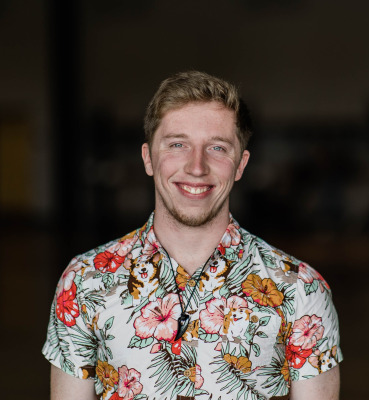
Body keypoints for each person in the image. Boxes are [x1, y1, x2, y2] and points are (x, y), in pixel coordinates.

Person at [43, 71, 342, 400]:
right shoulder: (84, 281)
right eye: (177, 145)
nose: (197, 167)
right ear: (148, 158)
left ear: (240, 165)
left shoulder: (301, 289)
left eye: (217, 147)